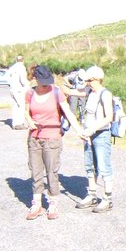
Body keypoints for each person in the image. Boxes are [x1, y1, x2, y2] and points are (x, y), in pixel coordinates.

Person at [24, 65, 85, 221]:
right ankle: (37, 204)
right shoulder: (30, 93)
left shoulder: (57, 92)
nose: (46, 84)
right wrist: (29, 119)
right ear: (35, 79)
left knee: (52, 172)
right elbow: (26, 111)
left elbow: (69, 113)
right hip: (34, 138)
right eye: (43, 81)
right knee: (36, 171)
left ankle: (52, 203)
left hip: (52, 138)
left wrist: (79, 131)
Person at [67, 65, 115, 213]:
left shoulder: (105, 94)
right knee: (90, 166)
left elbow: (109, 117)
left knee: (104, 166)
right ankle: (92, 195)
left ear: (98, 79)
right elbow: (71, 91)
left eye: (90, 80)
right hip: (88, 134)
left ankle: (107, 199)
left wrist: (92, 129)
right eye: (87, 81)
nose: (88, 83)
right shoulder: (89, 92)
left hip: (101, 134)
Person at [8, 55, 30, 129]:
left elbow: (8, 79)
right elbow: (23, 80)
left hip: (12, 89)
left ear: (16, 60)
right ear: (23, 60)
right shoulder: (21, 67)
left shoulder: (12, 68)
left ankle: (14, 124)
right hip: (19, 90)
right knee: (21, 106)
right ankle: (20, 123)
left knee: (15, 106)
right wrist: (28, 85)